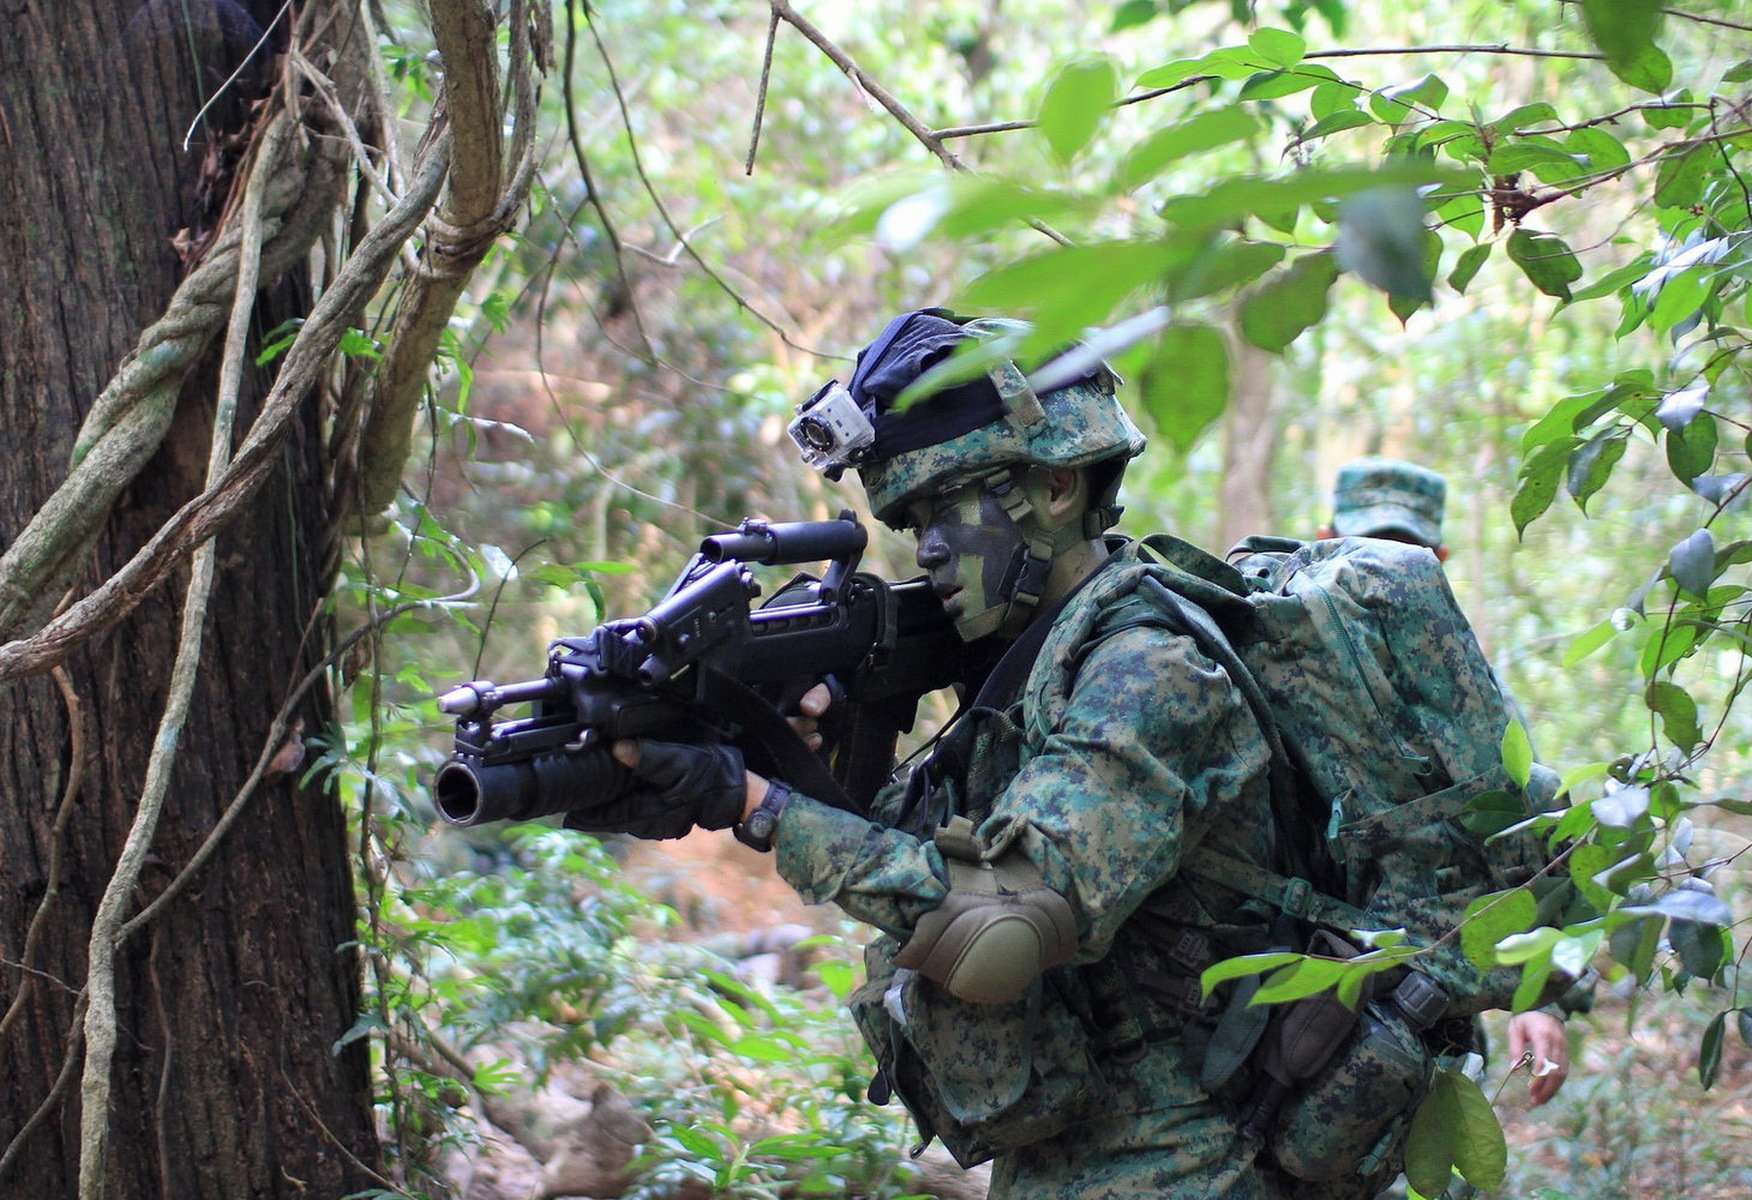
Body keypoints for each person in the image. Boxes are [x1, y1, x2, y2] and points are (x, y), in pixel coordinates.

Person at [561, 312, 1510, 1198]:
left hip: (1197, 1159)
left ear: (1057, 488)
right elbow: (929, 860)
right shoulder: (1023, 669)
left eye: (948, 511)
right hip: (1085, 1150)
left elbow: (998, 932)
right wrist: (794, 746)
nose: (927, 550)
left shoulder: (1149, 666)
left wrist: (761, 805)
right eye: (911, 525)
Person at [1322, 456, 1579, 1109]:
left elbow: (1523, 846)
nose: (1383, 573)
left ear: (1438, 559)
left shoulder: (1469, 700)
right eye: (1365, 548)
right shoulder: (1269, 653)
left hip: (1425, 1015)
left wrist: (1540, 996)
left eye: (1406, 555)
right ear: (1323, 543)